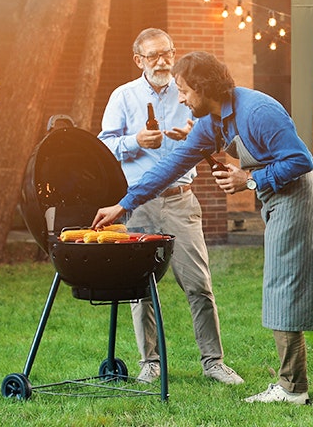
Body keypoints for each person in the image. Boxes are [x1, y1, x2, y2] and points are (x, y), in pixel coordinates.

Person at [93, 51, 313, 405]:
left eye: (183, 90)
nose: (180, 98)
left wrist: (250, 179)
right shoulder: (213, 122)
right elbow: (172, 165)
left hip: (298, 195)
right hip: (276, 196)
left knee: (282, 285)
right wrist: (124, 203)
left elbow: (302, 160)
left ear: (203, 86)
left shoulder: (257, 111)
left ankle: (291, 388)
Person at [97, 28, 241, 386]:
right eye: (153, 56)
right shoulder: (124, 96)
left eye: (167, 53)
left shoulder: (188, 93)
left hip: (180, 200)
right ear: (138, 60)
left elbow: (218, 141)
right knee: (140, 288)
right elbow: (103, 147)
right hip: (139, 204)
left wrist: (196, 132)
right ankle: (151, 363)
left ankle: (213, 362)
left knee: (198, 284)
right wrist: (134, 141)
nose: (162, 61)